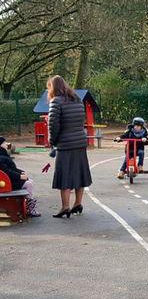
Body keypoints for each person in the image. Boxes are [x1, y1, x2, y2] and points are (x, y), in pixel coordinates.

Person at [47, 75, 92, 218]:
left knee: (64, 176)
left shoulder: (56, 102)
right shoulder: (77, 100)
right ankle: (78, 203)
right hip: (80, 142)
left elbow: (54, 125)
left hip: (65, 144)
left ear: (53, 88)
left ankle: (65, 207)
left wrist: (52, 141)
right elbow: (81, 121)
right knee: (80, 173)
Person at [0, 136, 40, 217]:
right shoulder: (1, 158)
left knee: (29, 182)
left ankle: (28, 206)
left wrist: (20, 172)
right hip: (6, 183)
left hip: (7, 181)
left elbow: (11, 169)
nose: (7, 144)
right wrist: (19, 176)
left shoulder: (3, 155)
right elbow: (6, 171)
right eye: (4, 143)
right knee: (28, 184)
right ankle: (30, 209)